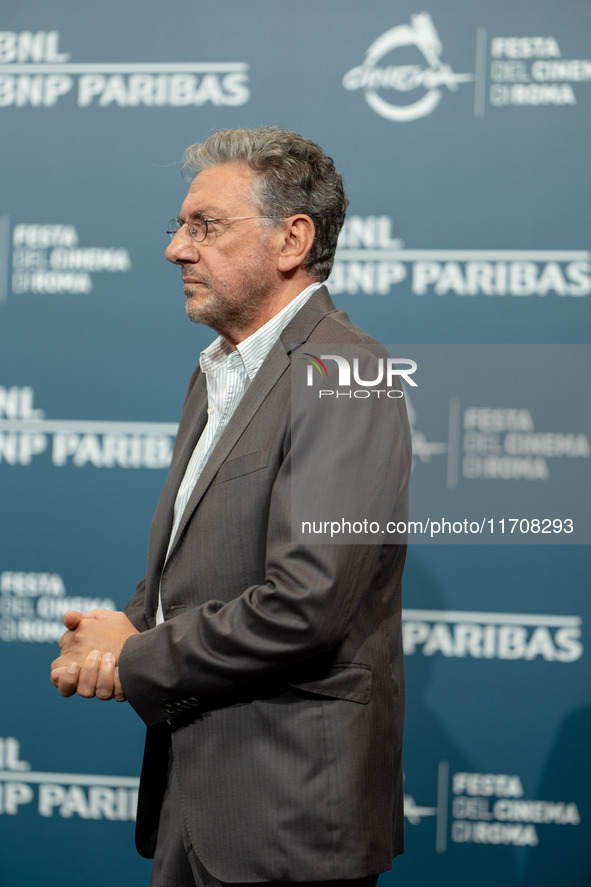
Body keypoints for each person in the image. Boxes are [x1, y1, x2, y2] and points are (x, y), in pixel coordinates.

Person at [50, 127, 411, 887]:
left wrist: (136, 655)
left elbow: (305, 603)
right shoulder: (217, 370)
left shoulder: (345, 369)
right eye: (178, 227)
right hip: (196, 800)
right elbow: (204, 564)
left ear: (292, 239)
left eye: (204, 226)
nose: (176, 249)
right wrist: (119, 629)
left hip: (284, 820)